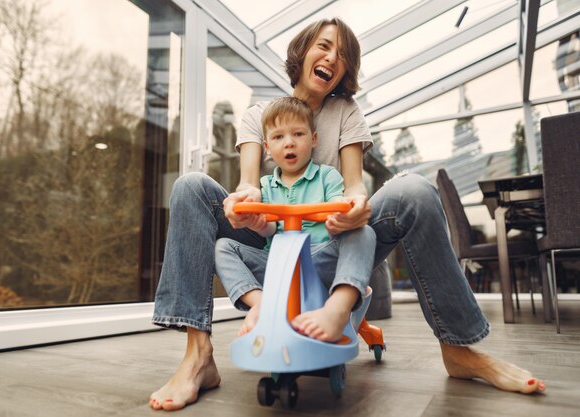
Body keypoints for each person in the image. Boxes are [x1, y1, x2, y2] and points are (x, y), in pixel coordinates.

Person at [149, 17, 545, 411]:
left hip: (332, 240)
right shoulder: (260, 114)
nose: (332, 57)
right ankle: (198, 356)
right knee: (190, 187)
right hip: (268, 237)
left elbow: (353, 183)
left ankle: (459, 350)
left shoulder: (346, 113)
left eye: (343, 54)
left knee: (416, 191)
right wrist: (245, 203)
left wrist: (356, 207)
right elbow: (249, 183)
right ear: (303, 51)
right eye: (324, 45)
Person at [214, 96, 375, 341]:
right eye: (278, 137)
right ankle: (262, 303)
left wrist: (338, 219)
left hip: (319, 255)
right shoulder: (265, 186)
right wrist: (259, 224)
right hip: (277, 262)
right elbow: (268, 228)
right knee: (224, 247)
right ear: (267, 148)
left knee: (364, 233)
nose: (289, 143)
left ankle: (337, 307)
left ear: (313, 140)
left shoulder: (327, 176)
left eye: (298, 134)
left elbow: (338, 210)